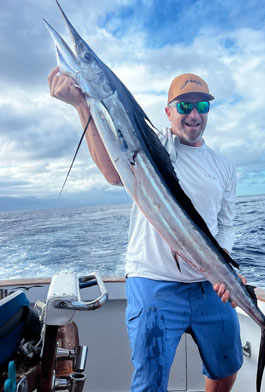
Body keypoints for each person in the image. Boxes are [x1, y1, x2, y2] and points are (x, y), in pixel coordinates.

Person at [48, 69, 244, 391]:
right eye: (183, 106)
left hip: (208, 286)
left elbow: (226, 224)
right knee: (149, 385)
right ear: (168, 112)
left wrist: (221, 263)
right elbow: (114, 173)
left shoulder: (224, 166)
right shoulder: (152, 148)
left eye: (201, 106)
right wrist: (82, 106)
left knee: (226, 370)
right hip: (154, 283)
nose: (193, 114)